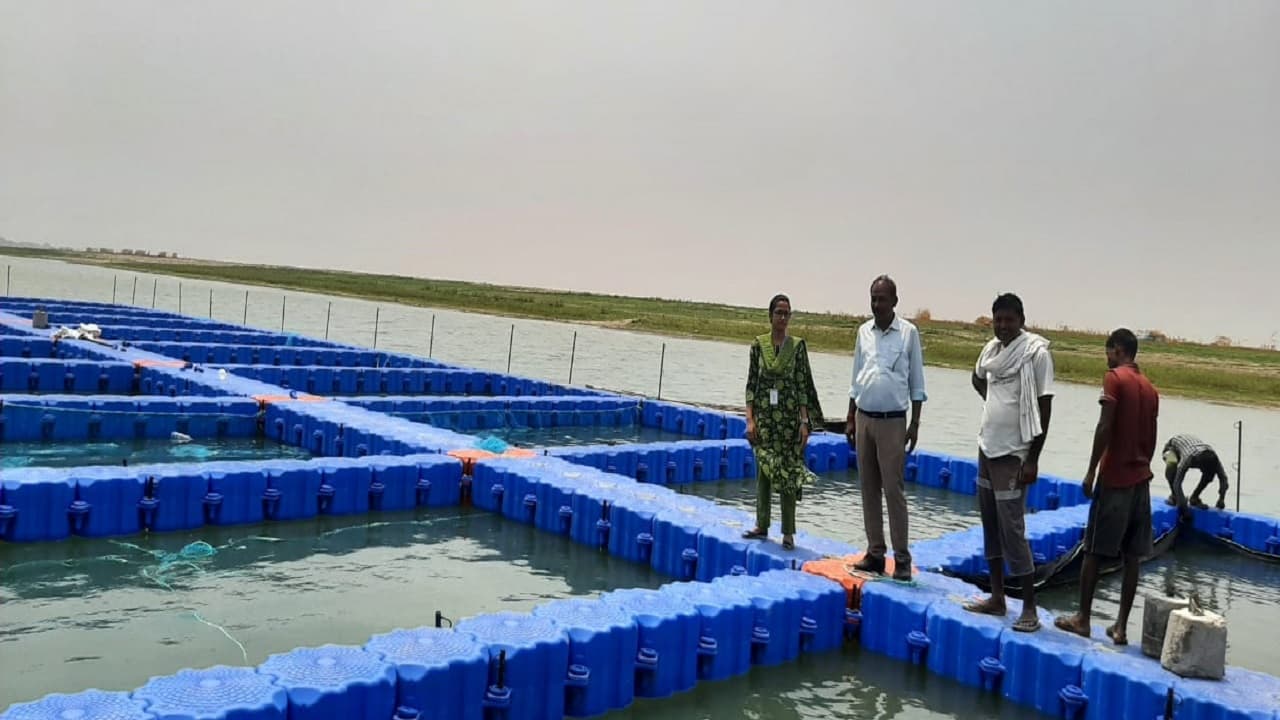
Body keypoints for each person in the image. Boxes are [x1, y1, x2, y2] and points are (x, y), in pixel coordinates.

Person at [1054, 328, 1159, 645]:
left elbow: (1105, 424)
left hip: (1115, 478)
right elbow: (1152, 436)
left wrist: (1090, 470)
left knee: (1093, 551)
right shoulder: (1150, 389)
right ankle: (1121, 627)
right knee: (1131, 557)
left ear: (1118, 350)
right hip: (1142, 479)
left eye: (1108, 351)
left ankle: (1083, 619)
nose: (1107, 357)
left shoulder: (1115, 378)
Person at [964, 293, 1053, 632]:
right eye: (997, 319)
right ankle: (997, 597)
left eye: (1008, 319)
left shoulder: (1035, 354)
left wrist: (1033, 457)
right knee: (990, 523)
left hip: (1014, 454)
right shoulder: (990, 351)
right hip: (987, 447)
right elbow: (977, 378)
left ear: (1021, 318)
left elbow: (1045, 407)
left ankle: (1029, 607)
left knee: (1012, 529)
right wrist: (995, 406)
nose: (1002, 325)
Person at [845, 275, 926, 581]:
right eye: (873, 298)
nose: (877, 304)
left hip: (893, 421)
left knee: (894, 491)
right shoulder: (863, 332)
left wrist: (916, 422)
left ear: (895, 301)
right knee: (868, 489)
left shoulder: (908, 334)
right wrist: (851, 416)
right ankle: (875, 553)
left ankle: (902, 559)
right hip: (865, 417)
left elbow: (917, 383)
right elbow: (856, 378)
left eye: (883, 299)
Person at [743, 293, 824, 550]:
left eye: (786, 313)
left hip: (789, 421)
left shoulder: (797, 347)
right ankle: (762, 524)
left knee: (788, 474)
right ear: (770, 316)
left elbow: (802, 385)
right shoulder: (758, 345)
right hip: (765, 419)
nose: (782, 317)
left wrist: (804, 422)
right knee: (764, 472)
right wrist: (750, 420)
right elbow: (751, 386)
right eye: (778, 312)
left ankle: (788, 532)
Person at [1162, 434, 1229, 511]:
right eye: (1204, 469)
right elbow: (1177, 483)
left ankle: (1194, 497)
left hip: (1198, 448)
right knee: (1171, 465)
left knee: (1210, 475)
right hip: (1172, 448)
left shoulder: (1214, 460)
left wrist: (1221, 499)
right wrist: (1183, 505)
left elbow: (1223, 479)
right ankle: (1174, 496)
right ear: (1199, 464)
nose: (1203, 471)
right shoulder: (1189, 458)